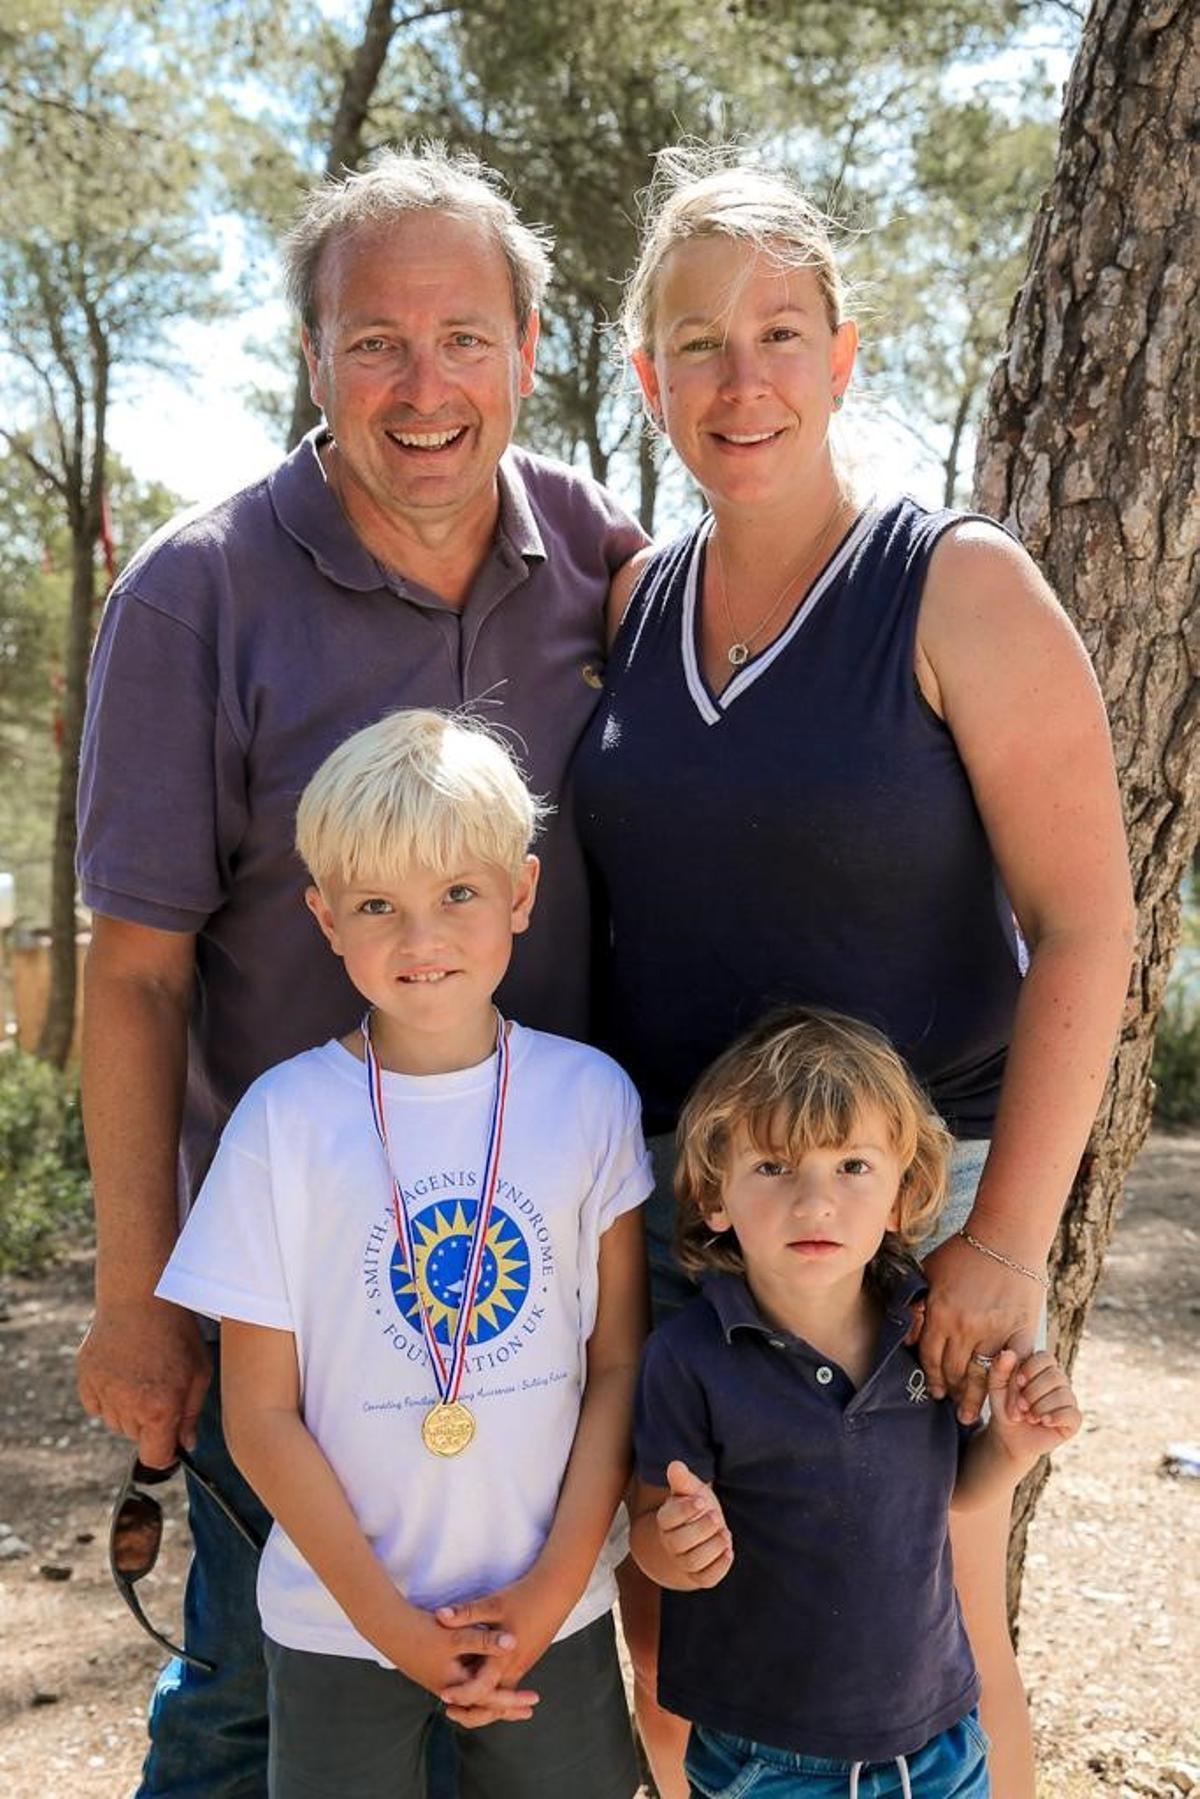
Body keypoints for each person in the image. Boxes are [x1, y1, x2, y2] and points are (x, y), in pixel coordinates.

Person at [75, 144, 645, 1796]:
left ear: (534, 353)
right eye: (374, 340)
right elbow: (133, 972)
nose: (424, 386)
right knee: (257, 1698)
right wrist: (135, 1292)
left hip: (546, 1277)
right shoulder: (198, 592)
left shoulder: (600, 563)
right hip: (303, 1300)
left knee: (534, 1710)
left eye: (466, 336)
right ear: (312, 357)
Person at [574, 152, 1134, 1798]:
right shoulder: (630, 601)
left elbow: (1088, 922)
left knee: (930, 1633)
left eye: (779, 332)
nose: (739, 380)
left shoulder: (956, 585)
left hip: (874, 1210)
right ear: (645, 372)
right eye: (695, 342)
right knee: (679, 1642)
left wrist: (1003, 1243)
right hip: (679, 1202)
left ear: (845, 352)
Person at [155, 708, 649, 1799]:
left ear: (521, 893)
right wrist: (393, 1628)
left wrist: (554, 1587)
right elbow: (261, 1414)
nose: (421, 937)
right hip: (339, 1623)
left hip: (554, 1612)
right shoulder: (282, 1120)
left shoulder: (590, 1099)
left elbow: (618, 1364)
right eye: (378, 904)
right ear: (327, 918)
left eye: (458, 894)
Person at [630, 1007, 1083, 1799]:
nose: (816, 1201)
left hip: (941, 1745)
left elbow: (949, 1495)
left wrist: (1012, 1442)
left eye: (852, 1167)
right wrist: (677, 1543)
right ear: (713, 1196)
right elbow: (650, 1540)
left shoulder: (923, 1332)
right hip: (766, 1761)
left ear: (905, 1196)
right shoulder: (689, 1357)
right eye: (773, 1167)